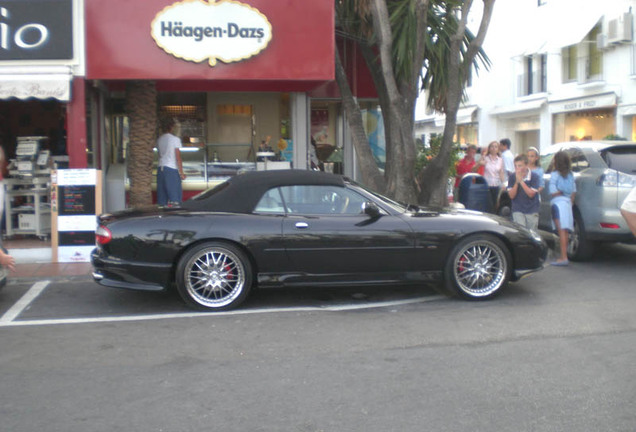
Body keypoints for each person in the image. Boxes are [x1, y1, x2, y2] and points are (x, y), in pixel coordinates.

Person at [549, 151, 576, 266]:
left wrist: (559, 191)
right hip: (567, 204)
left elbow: (552, 192)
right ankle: (564, 256)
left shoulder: (555, 175)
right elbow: (573, 191)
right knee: (565, 231)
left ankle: (563, 257)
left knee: (561, 232)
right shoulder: (570, 174)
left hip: (558, 204)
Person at [156, 117, 185, 207]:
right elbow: (178, 157)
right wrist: (181, 173)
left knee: (162, 200)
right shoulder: (175, 139)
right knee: (175, 199)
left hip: (161, 169)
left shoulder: (159, 139)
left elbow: (160, 155)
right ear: (172, 127)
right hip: (171, 169)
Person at [507, 154, 540, 231]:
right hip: (517, 209)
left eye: (520, 166)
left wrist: (521, 181)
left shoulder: (534, 176)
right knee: (521, 232)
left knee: (532, 233)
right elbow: (511, 196)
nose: (517, 168)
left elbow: (531, 194)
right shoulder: (512, 177)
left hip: (531, 210)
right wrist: (516, 183)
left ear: (526, 165)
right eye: (515, 166)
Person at [478, 141, 506, 210]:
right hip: (486, 185)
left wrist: (503, 184)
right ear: (489, 148)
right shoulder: (485, 158)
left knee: (495, 204)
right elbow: (474, 169)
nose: (494, 148)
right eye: (492, 146)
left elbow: (501, 172)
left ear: (498, 149)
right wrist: (480, 163)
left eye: (496, 147)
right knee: (487, 204)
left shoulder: (500, 160)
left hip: (496, 185)